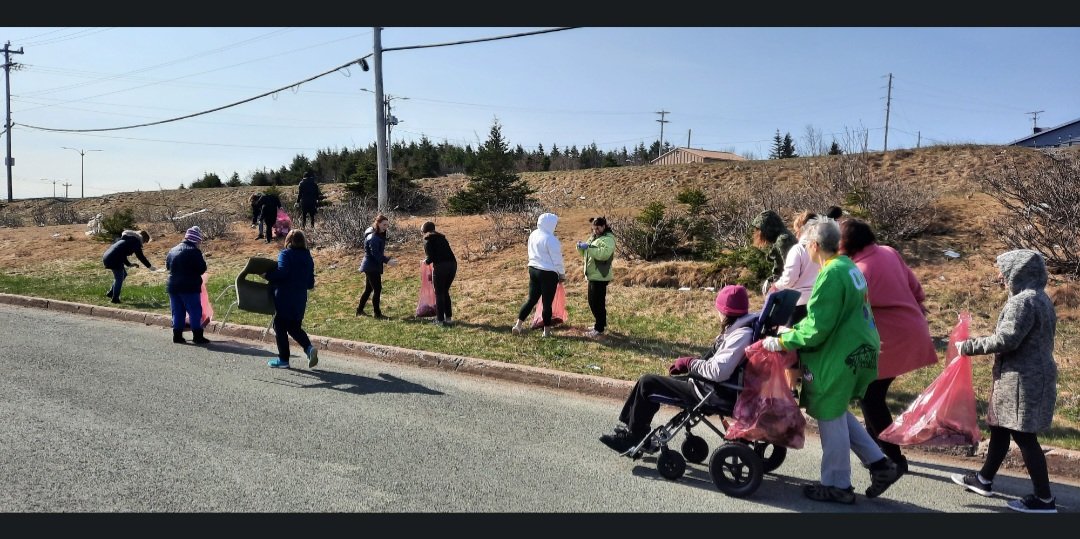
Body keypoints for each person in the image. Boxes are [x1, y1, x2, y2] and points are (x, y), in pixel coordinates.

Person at [762, 217, 899, 504]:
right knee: (836, 410)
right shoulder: (848, 266)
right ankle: (880, 464)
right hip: (859, 347)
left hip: (840, 352)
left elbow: (817, 328)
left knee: (828, 414)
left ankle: (837, 484)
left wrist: (782, 339)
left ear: (813, 245)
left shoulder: (830, 275)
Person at [951, 249, 1059, 513]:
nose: (1000, 276)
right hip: (1030, 374)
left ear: (1018, 272)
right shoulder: (1041, 298)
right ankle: (984, 479)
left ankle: (1044, 499)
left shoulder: (1022, 302)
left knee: (1024, 436)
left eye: (1004, 270)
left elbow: (1007, 339)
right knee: (1000, 428)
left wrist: (968, 346)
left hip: (1021, 378)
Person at [599, 285, 757, 453]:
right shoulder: (743, 330)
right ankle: (633, 429)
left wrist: (690, 363)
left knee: (647, 382)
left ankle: (633, 437)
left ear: (724, 312)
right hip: (715, 388)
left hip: (711, 392)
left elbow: (719, 371)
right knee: (654, 382)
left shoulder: (741, 335)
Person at [840, 218, 937, 479]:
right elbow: (916, 289)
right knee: (872, 394)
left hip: (890, 339)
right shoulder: (889, 251)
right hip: (911, 329)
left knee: (871, 397)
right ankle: (878, 452)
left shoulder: (858, 270)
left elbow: (847, 311)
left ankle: (893, 459)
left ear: (847, 243)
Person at [767, 210, 820, 396]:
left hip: (797, 303)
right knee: (810, 345)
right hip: (817, 302)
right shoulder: (825, 249)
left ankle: (791, 387)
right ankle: (810, 382)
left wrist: (775, 286)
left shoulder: (798, 250)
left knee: (788, 346)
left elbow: (789, 278)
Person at [263, 229, 318, 369]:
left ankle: (283, 360)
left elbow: (282, 271)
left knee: (280, 326)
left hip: (284, 296)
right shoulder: (307, 256)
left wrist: (267, 275)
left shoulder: (285, 254)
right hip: (300, 297)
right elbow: (310, 282)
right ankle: (309, 348)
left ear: (288, 241)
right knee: (294, 327)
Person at [512, 212, 565, 338]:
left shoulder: (534, 233)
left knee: (531, 299)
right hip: (548, 273)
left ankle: (518, 325)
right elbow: (557, 260)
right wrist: (561, 274)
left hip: (533, 269)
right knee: (547, 303)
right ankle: (546, 332)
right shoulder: (551, 239)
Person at [165, 226, 210, 345]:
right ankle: (198, 336)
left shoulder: (173, 250)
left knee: (177, 311)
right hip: (189, 286)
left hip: (173, 285)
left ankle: (177, 336)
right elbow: (201, 269)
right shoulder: (194, 251)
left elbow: (168, 267)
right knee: (194, 311)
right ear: (196, 240)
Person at [576, 216, 615, 338]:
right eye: (594, 228)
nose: (595, 231)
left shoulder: (608, 239)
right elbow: (587, 252)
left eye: (598, 228)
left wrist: (589, 247)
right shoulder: (594, 237)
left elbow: (603, 254)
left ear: (604, 226)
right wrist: (580, 247)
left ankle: (599, 328)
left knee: (597, 302)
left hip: (600, 276)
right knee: (593, 301)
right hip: (593, 275)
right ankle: (600, 324)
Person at [356, 214, 397, 319]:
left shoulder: (378, 234)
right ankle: (377, 314)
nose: (386, 227)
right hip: (371, 266)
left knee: (369, 289)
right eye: (384, 225)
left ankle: (359, 311)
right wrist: (388, 261)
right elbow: (376, 254)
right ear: (378, 224)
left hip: (371, 265)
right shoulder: (373, 237)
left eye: (387, 225)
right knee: (377, 289)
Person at [751, 209, 797, 296]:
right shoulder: (781, 237)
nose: (757, 233)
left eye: (759, 229)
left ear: (767, 228)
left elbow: (790, 270)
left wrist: (776, 286)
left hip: (787, 289)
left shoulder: (783, 240)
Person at [102, 229, 156, 304]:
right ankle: (115, 299)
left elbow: (121, 253)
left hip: (108, 256)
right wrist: (149, 266)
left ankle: (111, 293)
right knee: (119, 279)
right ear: (143, 238)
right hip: (114, 258)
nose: (143, 244)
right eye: (145, 242)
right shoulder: (136, 241)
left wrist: (129, 264)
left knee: (123, 274)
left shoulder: (128, 239)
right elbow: (140, 256)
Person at [421, 221, 457, 326]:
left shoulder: (427, 239)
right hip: (453, 265)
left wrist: (425, 262)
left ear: (424, 230)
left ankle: (440, 320)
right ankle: (448, 318)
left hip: (441, 267)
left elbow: (430, 258)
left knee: (439, 293)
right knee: (445, 291)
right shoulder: (442, 237)